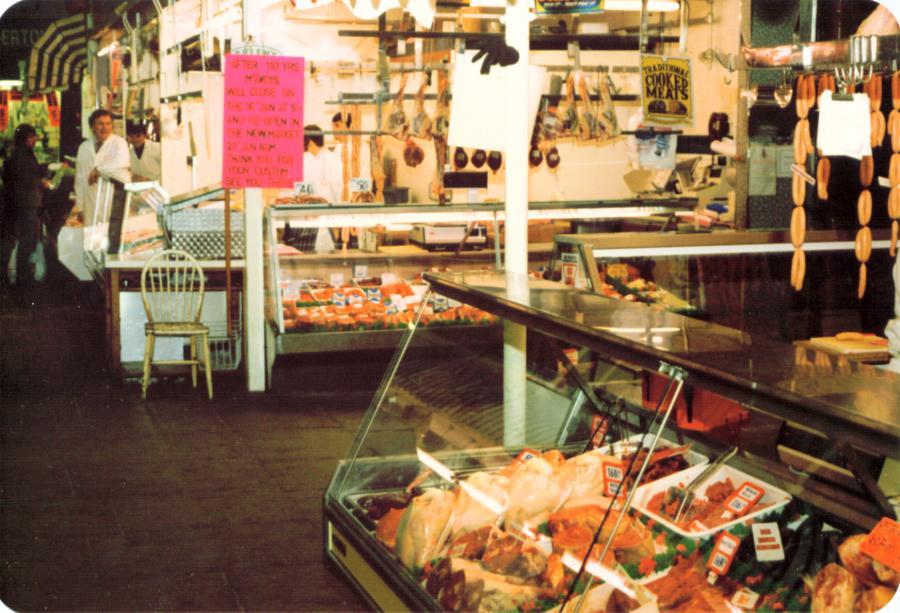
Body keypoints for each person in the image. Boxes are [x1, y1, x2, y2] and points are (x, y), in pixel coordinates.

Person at [9, 124, 52, 286]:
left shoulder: (23, 154)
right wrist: (42, 182)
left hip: (26, 202)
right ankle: (22, 276)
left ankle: (23, 272)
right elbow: (25, 180)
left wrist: (43, 171)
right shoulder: (21, 156)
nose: (34, 140)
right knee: (27, 238)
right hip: (26, 202)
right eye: (31, 137)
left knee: (28, 237)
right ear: (24, 139)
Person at [74, 109, 130, 227]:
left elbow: (122, 161)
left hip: (113, 202)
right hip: (91, 204)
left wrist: (98, 170)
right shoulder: (84, 147)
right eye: (100, 124)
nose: (105, 128)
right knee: (92, 242)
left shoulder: (119, 143)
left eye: (108, 124)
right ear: (92, 127)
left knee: (112, 241)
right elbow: (79, 179)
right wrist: (80, 207)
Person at [303, 124, 342, 203]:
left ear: (310, 142)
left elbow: (337, 189)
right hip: (308, 208)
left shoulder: (332, 160)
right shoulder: (306, 159)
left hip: (327, 209)